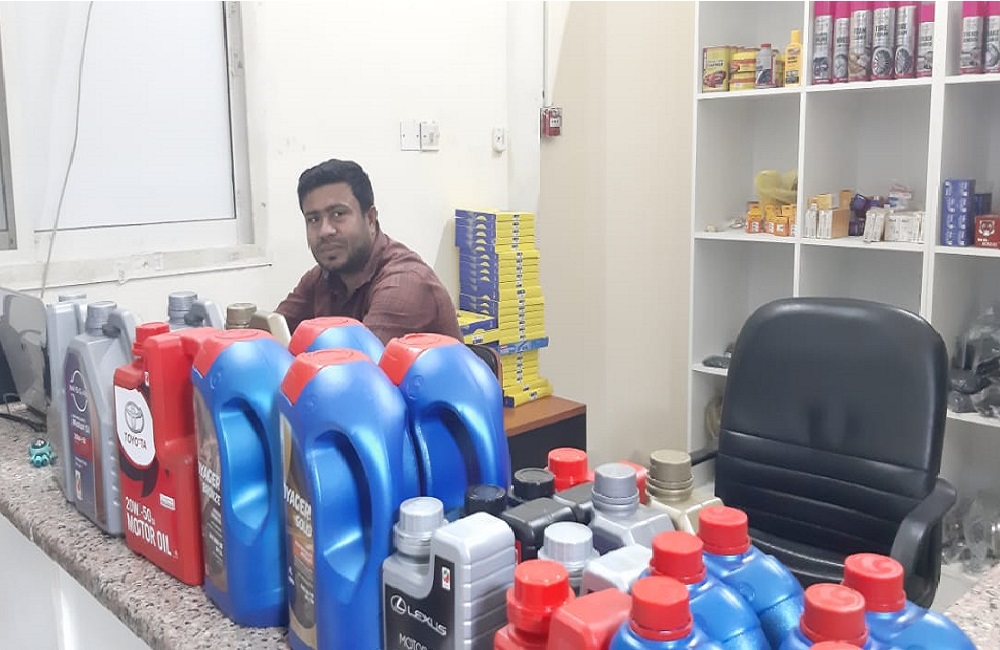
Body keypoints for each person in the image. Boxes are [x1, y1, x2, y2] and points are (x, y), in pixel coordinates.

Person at [275, 158, 461, 345]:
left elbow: (356, 360)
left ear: (371, 219)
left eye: (338, 214)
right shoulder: (322, 277)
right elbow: (271, 332)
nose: (325, 231)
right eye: (313, 219)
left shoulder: (404, 283)